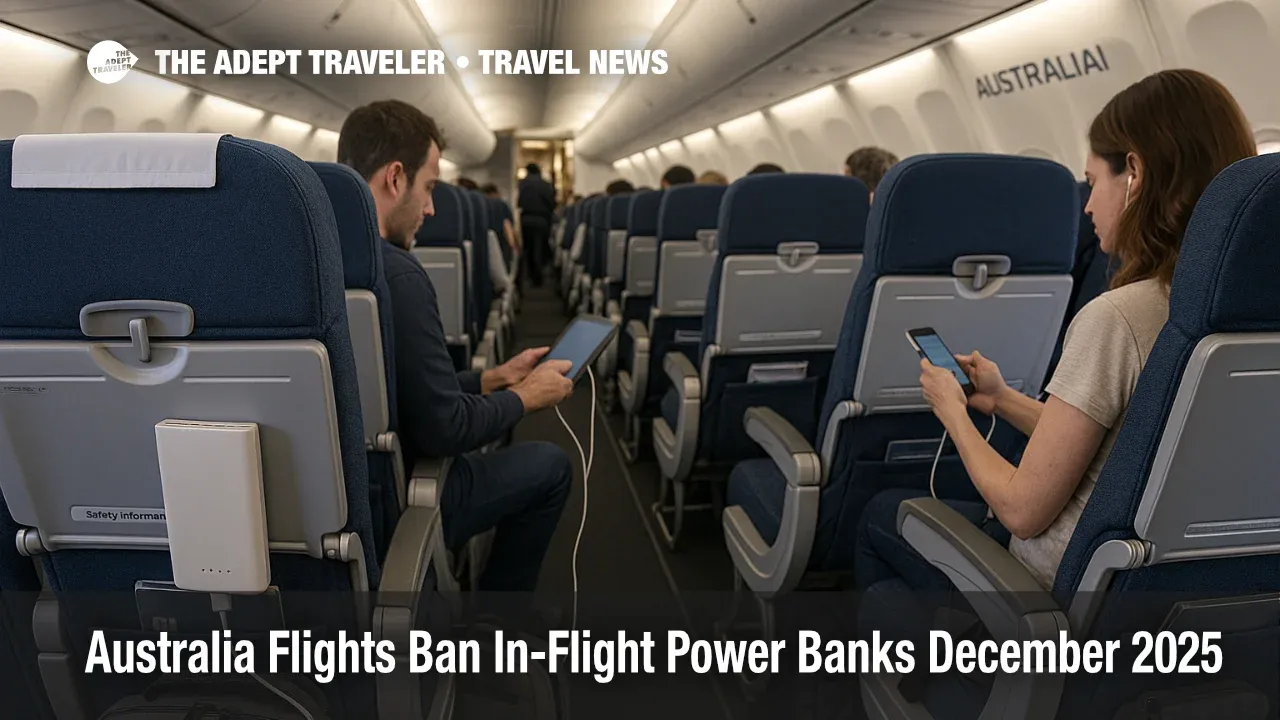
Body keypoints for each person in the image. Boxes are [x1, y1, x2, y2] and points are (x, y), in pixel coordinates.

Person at [854, 69, 1258, 599]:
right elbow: (1124, 447)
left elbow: (1022, 510)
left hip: (1048, 594)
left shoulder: (1117, 319)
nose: (1086, 205)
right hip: (1186, 597)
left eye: (1093, 182)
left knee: (880, 517)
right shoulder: (1233, 319)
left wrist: (954, 412)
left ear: (1134, 173)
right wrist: (1001, 400)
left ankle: (946, 673)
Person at [337, 100, 575, 595]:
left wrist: (490, 379)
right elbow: (444, 429)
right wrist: (527, 398)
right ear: (395, 178)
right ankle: (499, 619)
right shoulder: (396, 275)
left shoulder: (306, 262)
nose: (430, 209)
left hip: (332, 500)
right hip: (401, 498)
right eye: (428, 188)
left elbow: (387, 389)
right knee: (550, 467)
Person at [517, 163, 556, 288]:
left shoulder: (522, 184)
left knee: (527, 249)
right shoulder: (546, 184)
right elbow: (551, 203)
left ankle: (528, 275)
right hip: (542, 220)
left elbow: (520, 202)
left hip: (526, 219)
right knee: (540, 247)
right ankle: (538, 276)